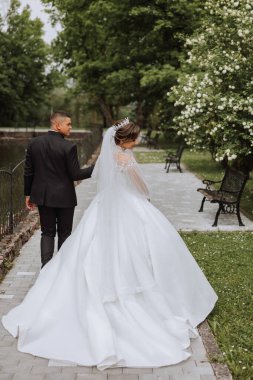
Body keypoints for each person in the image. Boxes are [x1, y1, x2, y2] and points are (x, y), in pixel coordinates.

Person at [2, 118, 218, 370]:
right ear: (125, 140)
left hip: (102, 206)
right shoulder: (125, 158)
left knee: (71, 242)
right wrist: (147, 196)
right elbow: (141, 186)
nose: (137, 141)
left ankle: (49, 270)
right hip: (128, 205)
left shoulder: (105, 157)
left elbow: (97, 179)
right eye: (135, 138)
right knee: (142, 252)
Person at [24, 110, 94, 268]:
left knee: (47, 233)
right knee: (64, 233)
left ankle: (46, 269)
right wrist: (97, 168)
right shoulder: (68, 147)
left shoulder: (34, 143)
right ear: (57, 124)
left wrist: (28, 194)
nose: (71, 127)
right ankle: (62, 270)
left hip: (43, 196)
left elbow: (28, 172)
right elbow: (75, 174)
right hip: (65, 198)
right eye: (68, 124)